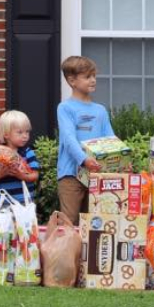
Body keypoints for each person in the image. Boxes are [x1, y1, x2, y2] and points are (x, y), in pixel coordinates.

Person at [56, 56, 109, 225]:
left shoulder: (100, 110)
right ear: (72, 81)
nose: (93, 80)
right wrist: (84, 159)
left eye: (94, 76)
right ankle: (66, 252)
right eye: (87, 77)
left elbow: (110, 140)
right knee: (68, 223)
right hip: (71, 174)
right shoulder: (65, 108)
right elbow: (68, 138)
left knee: (95, 223)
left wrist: (122, 162)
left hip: (95, 175)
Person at [0, 110, 40, 205]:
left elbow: (35, 175)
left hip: (23, 201)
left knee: (24, 221)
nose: (25, 136)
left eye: (27, 132)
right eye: (20, 132)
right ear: (6, 134)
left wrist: (21, 176)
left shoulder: (28, 153)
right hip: (2, 201)